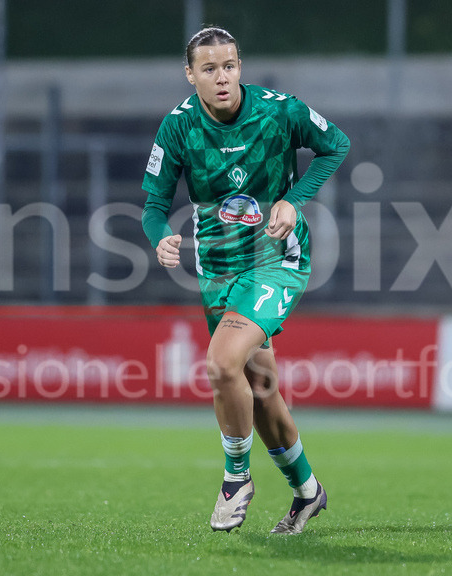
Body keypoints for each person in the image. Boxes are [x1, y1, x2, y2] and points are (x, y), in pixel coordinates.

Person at [140, 27, 350, 534]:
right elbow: (153, 206)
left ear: (240, 67)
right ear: (191, 75)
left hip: (275, 257)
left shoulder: (279, 110)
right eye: (209, 69)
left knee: (220, 363)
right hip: (217, 268)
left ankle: (236, 478)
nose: (222, 77)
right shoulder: (178, 127)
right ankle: (307, 492)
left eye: (230, 65)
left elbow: (336, 146)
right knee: (259, 387)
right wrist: (158, 237)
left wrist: (292, 200)